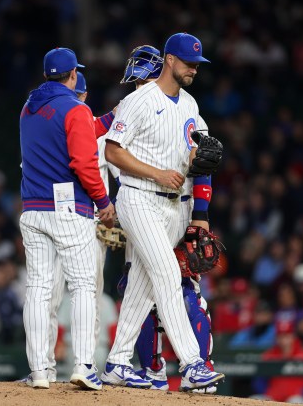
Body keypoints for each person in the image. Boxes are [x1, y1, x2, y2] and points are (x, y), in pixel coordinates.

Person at [101, 32, 224, 391]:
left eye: (197, 65)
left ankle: (116, 362)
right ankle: (192, 364)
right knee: (169, 276)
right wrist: (157, 172)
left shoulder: (189, 105)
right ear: (170, 60)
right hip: (140, 198)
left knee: (142, 286)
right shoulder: (140, 100)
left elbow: (202, 155)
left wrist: (199, 203)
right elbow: (113, 152)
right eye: (188, 63)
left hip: (176, 208)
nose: (193, 70)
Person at [19, 47, 114, 391]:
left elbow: (74, 128)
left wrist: (110, 118)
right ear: (73, 75)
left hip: (33, 209)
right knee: (83, 287)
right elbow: (84, 164)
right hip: (69, 209)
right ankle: (84, 365)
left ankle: (40, 370)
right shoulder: (76, 108)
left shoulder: (28, 108)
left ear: (47, 75)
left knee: (39, 289)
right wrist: (104, 201)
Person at [45, 71, 116, 380]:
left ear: (84, 98)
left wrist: (115, 213)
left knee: (91, 293)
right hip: (60, 217)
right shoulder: (52, 129)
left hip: (93, 223)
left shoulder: (101, 133)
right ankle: (45, 364)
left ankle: (88, 367)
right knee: (51, 293)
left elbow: (120, 176)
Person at [251, 321, 303, 403]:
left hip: (298, 398)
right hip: (273, 398)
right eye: (280, 336)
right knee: (254, 399)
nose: (283, 340)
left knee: (294, 401)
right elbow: (259, 381)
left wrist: (302, 392)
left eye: (286, 336)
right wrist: (268, 393)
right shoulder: (268, 355)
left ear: (293, 336)